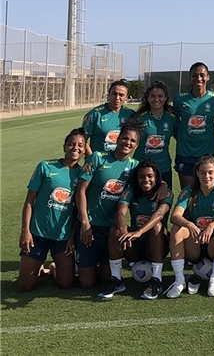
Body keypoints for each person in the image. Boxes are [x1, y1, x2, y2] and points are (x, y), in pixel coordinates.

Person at [75, 119, 145, 289]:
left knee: (107, 278)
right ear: (118, 138)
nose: (127, 143)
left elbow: (153, 178)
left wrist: (164, 186)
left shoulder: (135, 167)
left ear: (137, 145)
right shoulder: (97, 158)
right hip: (89, 226)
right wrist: (85, 223)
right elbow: (80, 191)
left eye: (132, 141)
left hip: (111, 229)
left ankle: (95, 264)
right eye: (125, 138)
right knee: (86, 282)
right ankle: (72, 264)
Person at [18, 128, 85, 292]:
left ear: (84, 150)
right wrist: (25, 231)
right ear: (64, 147)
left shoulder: (83, 174)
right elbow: (29, 201)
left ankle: (52, 267)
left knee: (65, 283)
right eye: (71, 144)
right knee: (26, 286)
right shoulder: (45, 167)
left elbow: (78, 210)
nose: (75, 148)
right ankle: (37, 266)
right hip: (37, 235)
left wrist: (71, 237)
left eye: (80, 145)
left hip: (62, 237)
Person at [99, 159, 172, 300]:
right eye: (141, 176)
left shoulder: (165, 192)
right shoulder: (130, 191)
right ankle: (116, 279)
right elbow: (120, 212)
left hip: (156, 245)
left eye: (150, 176)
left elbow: (159, 214)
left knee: (157, 227)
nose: (146, 180)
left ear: (156, 177)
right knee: (116, 229)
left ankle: (157, 280)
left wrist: (139, 231)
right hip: (135, 246)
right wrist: (123, 230)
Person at [165, 155, 214, 298]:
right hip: (195, 242)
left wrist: (211, 226)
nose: (207, 176)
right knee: (177, 229)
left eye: (210, 172)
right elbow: (175, 216)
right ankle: (179, 280)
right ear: (197, 173)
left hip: (213, 243)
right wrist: (189, 224)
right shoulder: (189, 191)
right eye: (202, 172)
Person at [173, 62, 214, 189]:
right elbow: (174, 124)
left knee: (212, 193)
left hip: (208, 154)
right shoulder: (180, 99)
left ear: (208, 77)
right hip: (186, 154)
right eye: (195, 76)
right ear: (190, 78)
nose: (199, 79)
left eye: (202, 75)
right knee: (188, 195)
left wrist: (207, 137)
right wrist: (185, 138)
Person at [133, 80, 178, 190]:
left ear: (166, 98)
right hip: (141, 168)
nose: (156, 99)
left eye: (160, 96)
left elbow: (183, 138)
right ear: (147, 98)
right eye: (152, 96)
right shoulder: (139, 119)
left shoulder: (172, 119)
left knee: (163, 201)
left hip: (163, 168)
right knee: (140, 203)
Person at [82, 79, 135, 155]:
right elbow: (83, 140)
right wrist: (92, 158)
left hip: (120, 162)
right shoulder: (95, 114)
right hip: (100, 163)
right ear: (109, 94)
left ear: (126, 97)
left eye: (121, 95)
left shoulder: (131, 114)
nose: (117, 98)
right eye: (114, 93)